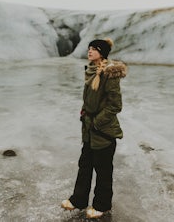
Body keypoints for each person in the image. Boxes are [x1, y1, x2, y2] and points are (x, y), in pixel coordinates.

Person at [61, 38, 127, 219]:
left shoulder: (109, 74)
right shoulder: (91, 71)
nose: (90, 51)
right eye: (89, 48)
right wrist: (85, 113)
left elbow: (115, 105)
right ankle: (79, 200)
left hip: (103, 131)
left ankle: (102, 206)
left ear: (102, 53)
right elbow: (91, 99)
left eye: (94, 49)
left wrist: (97, 122)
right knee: (85, 165)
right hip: (89, 130)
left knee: (103, 170)